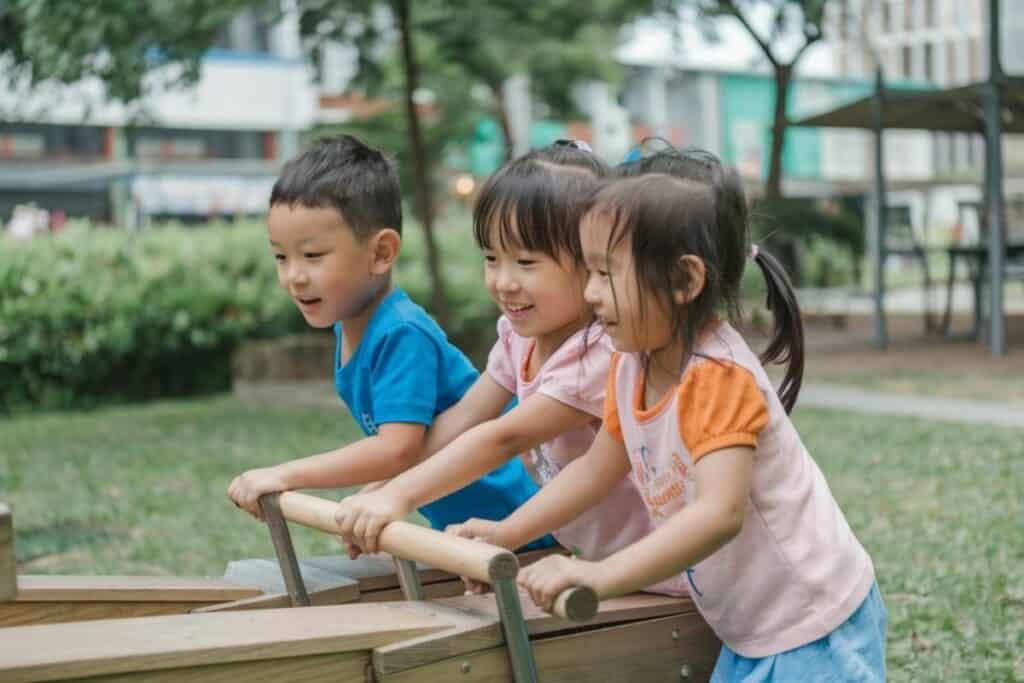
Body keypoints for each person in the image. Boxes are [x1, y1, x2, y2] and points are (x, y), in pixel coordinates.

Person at [514, 156, 886, 681]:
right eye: (587, 270)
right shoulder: (629, 366)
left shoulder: (716, 377)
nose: (591, 292)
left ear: (685, 278)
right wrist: (507, 532)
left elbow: (718, 513)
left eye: (605, 272)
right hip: (750, 627)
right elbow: (593, 471)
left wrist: (600, 576)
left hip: (810, 622)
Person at [332, 141, 687, 596]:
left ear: (592, 262)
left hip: (653, 567)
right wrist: (382, 489)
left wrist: (400, 496)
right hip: (599, 558)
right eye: (491, 258)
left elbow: (505, 436)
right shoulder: (518, 336)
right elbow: (463, 419)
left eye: (525, 262)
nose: (503, 281)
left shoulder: (599, 353)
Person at [227, 135, 543, 542]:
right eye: (281, 257)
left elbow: (397, 448)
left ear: (381, 252)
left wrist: (283, 474)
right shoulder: (350, 325)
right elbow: (414, 449)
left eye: (313, 255)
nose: (294, 276)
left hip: (518, 522)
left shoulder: (400, 333)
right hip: (467, 531)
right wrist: (368, 500)